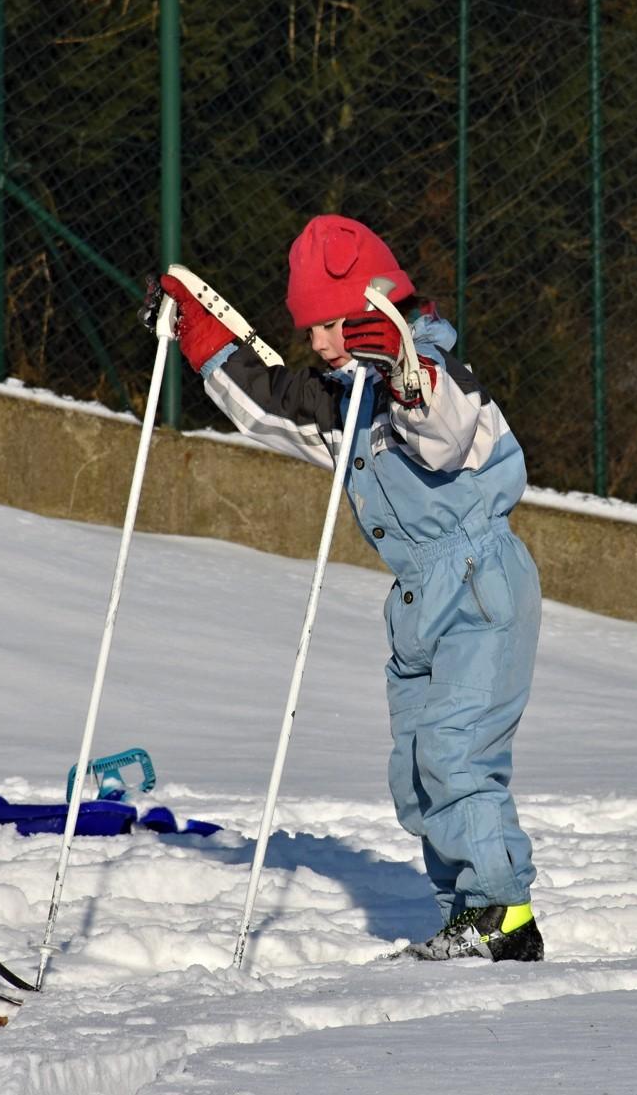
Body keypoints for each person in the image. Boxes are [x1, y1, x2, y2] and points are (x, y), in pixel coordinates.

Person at [158, 215, 544, 962]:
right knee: (417, 771)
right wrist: (202, 339)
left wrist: (401, 364)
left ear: (379, 309)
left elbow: (443, 432)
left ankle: (504, 913)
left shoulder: (435, 373)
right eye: (311, 328)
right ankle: (467, 916)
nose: (320, 342)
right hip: (416, 599)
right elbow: (268, 407)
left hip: (480, 585)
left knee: (456, 752)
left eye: (333, 324)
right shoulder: (343, 400)